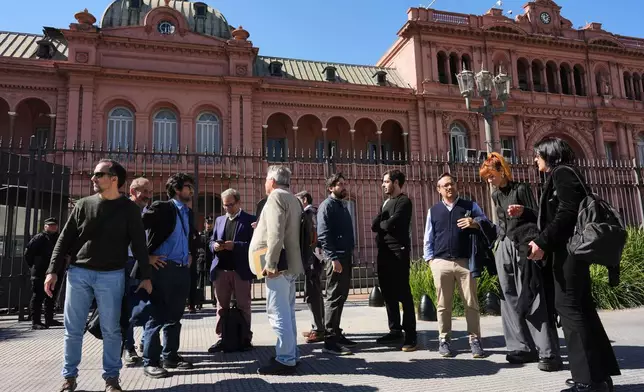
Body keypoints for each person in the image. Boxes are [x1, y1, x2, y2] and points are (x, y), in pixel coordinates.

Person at [44, 159, 152, 392]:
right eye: (94, 174)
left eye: (98, 174)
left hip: (112, 276)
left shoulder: (130, 209)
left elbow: (139, 244)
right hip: (79, 273)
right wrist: (52, 271)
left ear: (114, 179)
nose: (93, 178)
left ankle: (111, 379)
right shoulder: (83, 204)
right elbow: (64, 239)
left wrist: (146, 275)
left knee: (111, 329)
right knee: (72, 329)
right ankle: (69, 377)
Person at [528, 138, 620, 392]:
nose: (535, 159)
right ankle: (599, 376)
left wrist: (542, 242)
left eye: (538, 154)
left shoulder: (562, 173)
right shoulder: (564, 174)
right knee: (582, 309)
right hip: (570, 253)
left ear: (549, 154)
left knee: (569, 309)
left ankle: (587, 381)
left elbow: (567, 212)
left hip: (569, 253)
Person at [479, 153, 562, 371]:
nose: (489, 180)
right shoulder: (496, 194)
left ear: (502, 171)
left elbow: (539, 216)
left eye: (491, 175)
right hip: (505, 244)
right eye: (486, 177)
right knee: (508, 297)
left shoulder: (521, 189)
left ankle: (548, 352)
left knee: (531, 294)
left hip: (524, 244)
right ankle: (521, 347)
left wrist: (523, 210)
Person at [423, 172, 488, 358]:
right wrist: (430, 261)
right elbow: (428, 237)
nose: (449, 188)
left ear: (456, 185)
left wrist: (474, 222)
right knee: (443, 305)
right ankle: (444, 340)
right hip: (441, 262)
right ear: (439, 190)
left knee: (471, 303)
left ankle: (475, 340)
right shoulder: (433, 211)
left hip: (465, 262)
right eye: (445, 186)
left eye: (451, 184)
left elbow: (486, 222)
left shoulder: (469, 206)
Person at [140, 173, 197, 379]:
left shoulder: (187, 213)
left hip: (181, 269)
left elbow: (190, 236)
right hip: (162, 269)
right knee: (156, 316)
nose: (191, 190)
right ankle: (151, 362)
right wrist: (146, 256)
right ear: (176, 190)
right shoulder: (161, 208)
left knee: (175, 316)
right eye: (188, 187)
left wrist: (190, 253)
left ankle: (170, 356)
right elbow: (135, 228)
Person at [249, 165, 303, 375]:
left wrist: (270, 264)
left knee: (277, 312)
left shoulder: (275, 198)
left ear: (271, 181)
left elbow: (276, 232)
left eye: (265, 180)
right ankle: (291, 353)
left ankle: (286, 358)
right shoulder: (293, 199)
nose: (264, 183)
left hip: (277, 266)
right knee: (287, 312)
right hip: (291, 263)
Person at [371, 170, 417, 352]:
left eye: (386, 181)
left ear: (396, 182)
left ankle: (411, 335)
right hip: (384, 252)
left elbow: (390, 224)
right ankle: (395, 330)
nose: (383, 185)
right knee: (388, 293)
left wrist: (384, 223)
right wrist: (384, 222)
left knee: (403, 293)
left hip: (399, 252)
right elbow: (375, 225)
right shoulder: (386, 203)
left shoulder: (404, 202)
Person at [208, 188, 256, 353]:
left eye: (230, 205)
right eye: (225, 205)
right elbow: (211, 240)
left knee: (244, 305)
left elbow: (255, 245)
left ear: (239, 202)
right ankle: (222, 337)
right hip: (221, 270)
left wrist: (235, 246)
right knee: (221, 306)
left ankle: (245, 338)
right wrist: (214, 246)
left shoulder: (250, 220)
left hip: (240, 270)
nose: (227, 208)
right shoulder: (220, 220)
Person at [317, 172, 357, 356]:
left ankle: (337, 332)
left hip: (346, 256)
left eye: (344, 182)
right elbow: (323, 234)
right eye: (339, 184)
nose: (343, 186)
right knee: (333, 297)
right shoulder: (327, 206)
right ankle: (330, 340)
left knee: (341, 297)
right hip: (336, 259)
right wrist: (333, 258)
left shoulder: (342, 205)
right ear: (330, 188)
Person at [123, 177, 152, 365]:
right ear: (133, 191)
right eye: (144, 191)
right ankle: (128, 348)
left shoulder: (147, 212)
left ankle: (145, 342)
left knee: (146, 304)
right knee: (127, 307)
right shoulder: (123, 209)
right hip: (126, 263)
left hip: (143, 263)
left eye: (149, 192)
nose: (148, 196)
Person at [295, 190, 325, 344]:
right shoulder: (311, 213)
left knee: (312, 294)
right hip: (312, 259)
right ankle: (318, 327)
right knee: (314, 293)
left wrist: (313, 258)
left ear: (305, 199)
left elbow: (314, 237)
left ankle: (319, 330)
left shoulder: (310, 213)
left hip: (312, 259)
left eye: (298, 200)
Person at [24, 217, 61, 330]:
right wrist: (34, 265)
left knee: (51, 296)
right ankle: (35, 321)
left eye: (54, 225)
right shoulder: (39, 237)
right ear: (45, 226)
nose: (53, 227)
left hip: (53, 271)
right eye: (50, 225)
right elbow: (28, 253)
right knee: (38, 296)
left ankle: (49, 319)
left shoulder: (58, 237)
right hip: (40, 271)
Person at [197, 216, 215, 309]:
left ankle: (214, 300)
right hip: (202, 260)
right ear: (205, 224)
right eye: (208, 223)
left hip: (211, 260)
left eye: (211, 223)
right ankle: (200, 301)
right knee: (201, 282)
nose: (209, 225)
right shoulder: (201, 234)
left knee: (213, 281)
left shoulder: (215, 235)